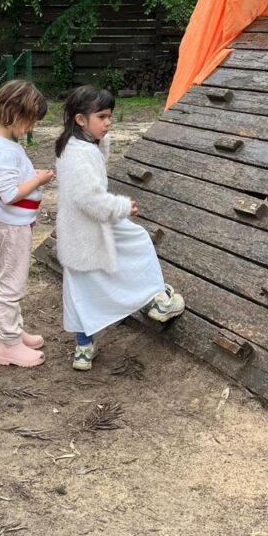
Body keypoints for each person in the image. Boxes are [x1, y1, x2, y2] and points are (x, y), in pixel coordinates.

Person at [54, 85, 185, 370]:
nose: (108, 122)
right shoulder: (80, 154)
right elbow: (88, 198)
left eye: (109, 116)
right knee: (139, 242)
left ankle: (84, 347)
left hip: (76, 229)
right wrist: (122, 207)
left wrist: (101, 140)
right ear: (80, 120)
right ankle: (157, 301)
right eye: (101, 117)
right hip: (93, 224)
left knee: (80, 287)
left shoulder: (75, 145)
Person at [0, 80, 54, 367]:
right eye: (30, 120)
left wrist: (32, 175)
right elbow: (9, 193)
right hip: (12, 228)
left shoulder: (3, 143)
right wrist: (37, 179)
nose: (32, 127)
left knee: (13, 279)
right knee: (12, 285)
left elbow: (9, 180)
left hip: (12, 224)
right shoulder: (5, 149)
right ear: (13, 112)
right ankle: (8, 344)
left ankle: (14, 330)